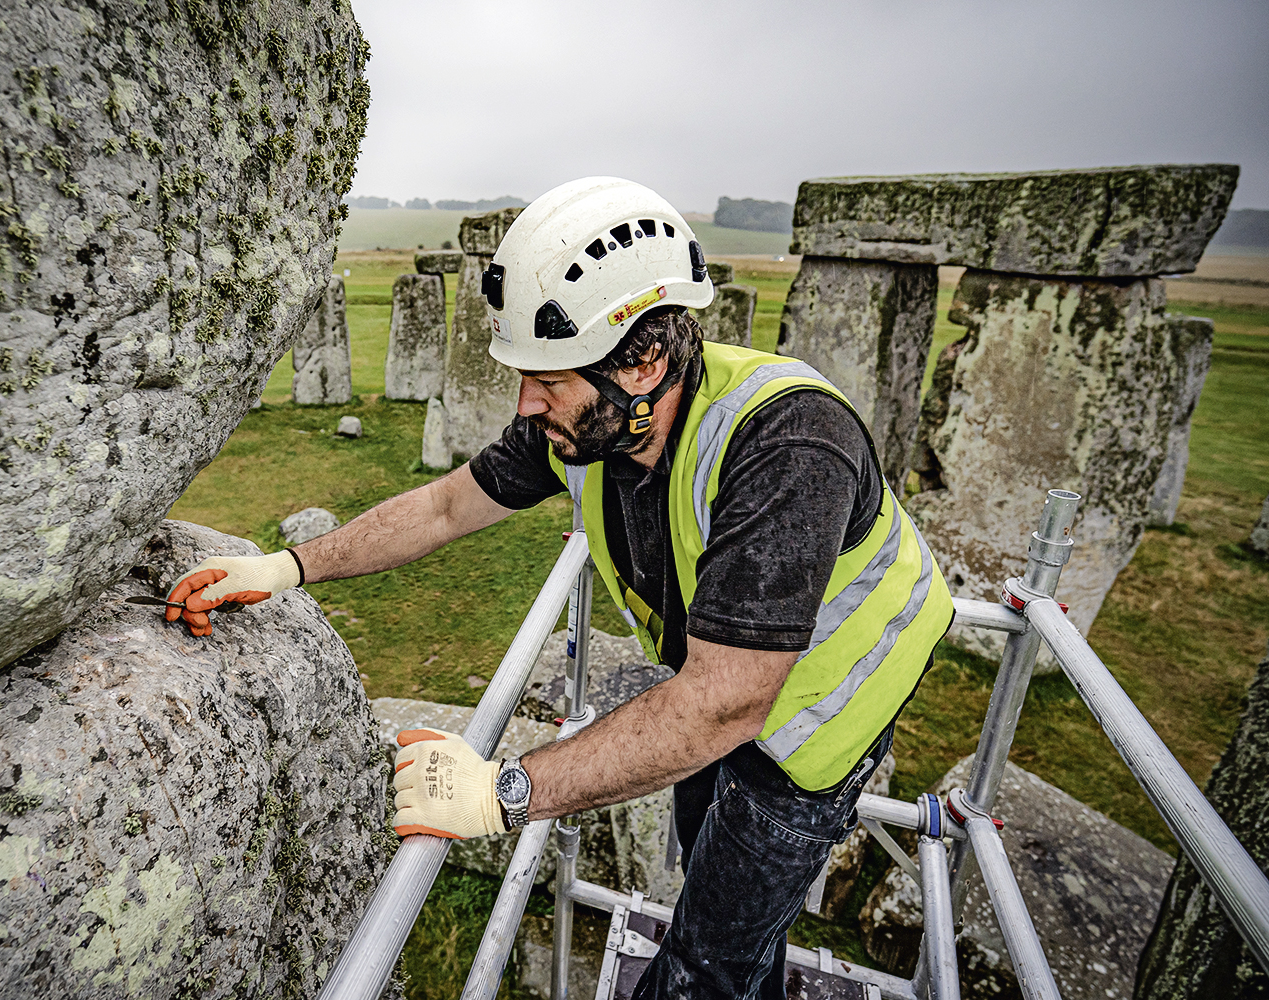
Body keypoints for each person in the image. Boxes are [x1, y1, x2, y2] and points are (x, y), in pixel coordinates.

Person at [166, 177, 953, 999]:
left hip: (821, 718)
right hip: (714, 684)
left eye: (549, 377)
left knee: (705, 965)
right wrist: (287, 569)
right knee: (706, 864)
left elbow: (725, 705)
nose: (525, 403)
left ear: (643, 361)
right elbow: (442, 506)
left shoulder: (790, 444)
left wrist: (504, 791)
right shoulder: (589, 423)